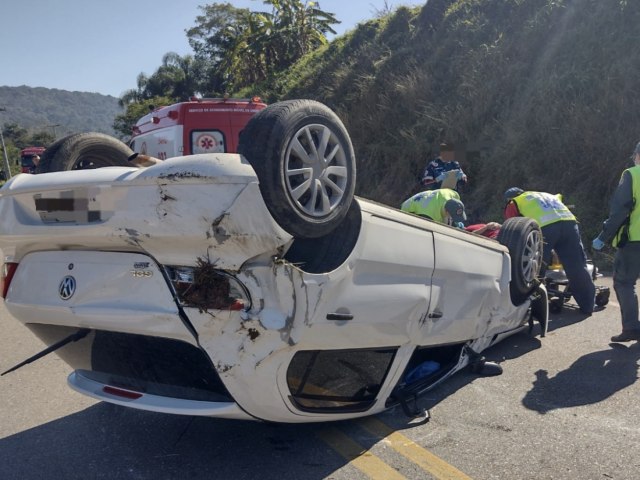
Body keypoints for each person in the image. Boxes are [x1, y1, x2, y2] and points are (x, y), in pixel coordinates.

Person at [504, 187, 595, 314]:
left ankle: (532, 305)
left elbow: (513, 228)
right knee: (577, 265)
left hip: (546, 226)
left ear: (509, 198)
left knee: (536, 266)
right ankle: (588, 306)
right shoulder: (544, 195)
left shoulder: (515, 202)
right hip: (569, 223)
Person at [592, 141, 640, 342]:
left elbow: (620, 211)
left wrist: (603, 237)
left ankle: (631, 329)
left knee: (624, 282)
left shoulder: (632, 174)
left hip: (634, 241)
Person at [401, 188, 467, 228]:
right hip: (406, 210)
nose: (452, 219)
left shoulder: (453, 194)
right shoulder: (429, 216)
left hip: (428, 202)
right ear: (446, 211)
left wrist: (457, 222)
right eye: (452, 216)